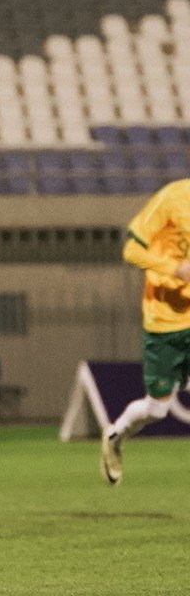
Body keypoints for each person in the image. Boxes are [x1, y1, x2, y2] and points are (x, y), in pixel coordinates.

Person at [101, 177, 190, 485]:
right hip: (164, 322)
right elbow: (130, 251)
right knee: (157, 409)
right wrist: (176, 269)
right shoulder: (172, 198)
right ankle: (115, 435)